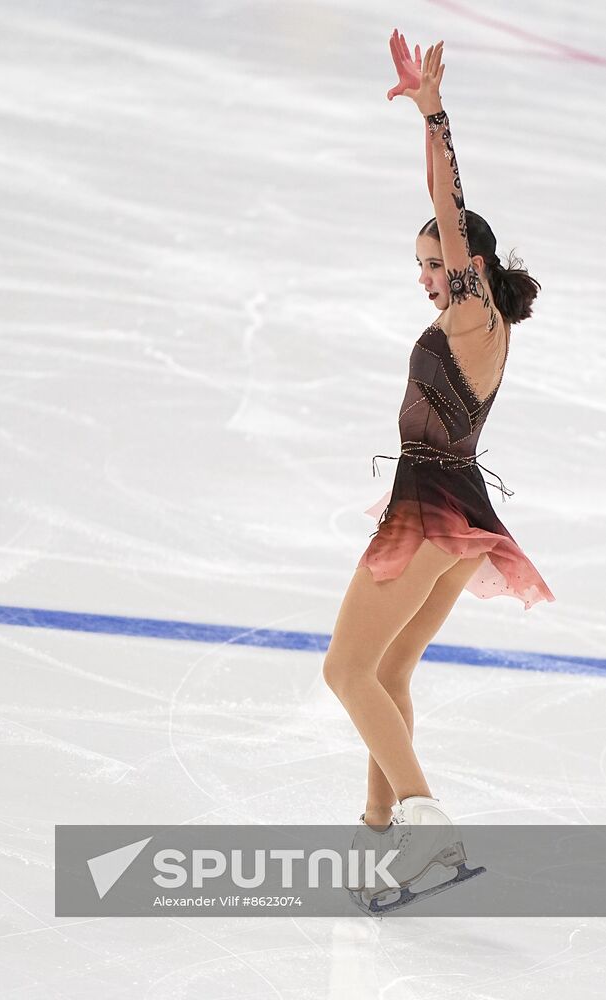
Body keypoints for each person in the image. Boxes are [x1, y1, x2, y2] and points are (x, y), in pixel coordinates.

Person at [324, 31, 556, 906]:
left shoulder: (470, 317)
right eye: (422, 265)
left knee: (344, 672)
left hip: (429, 508)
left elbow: (448, 205)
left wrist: (433, 114)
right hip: (464, 514)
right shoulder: (486, 329)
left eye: (439, 264)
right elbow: (442, 213)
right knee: (385, 674)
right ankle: (381, 842)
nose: (428, 276)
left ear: (472, 269)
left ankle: (422, 822)